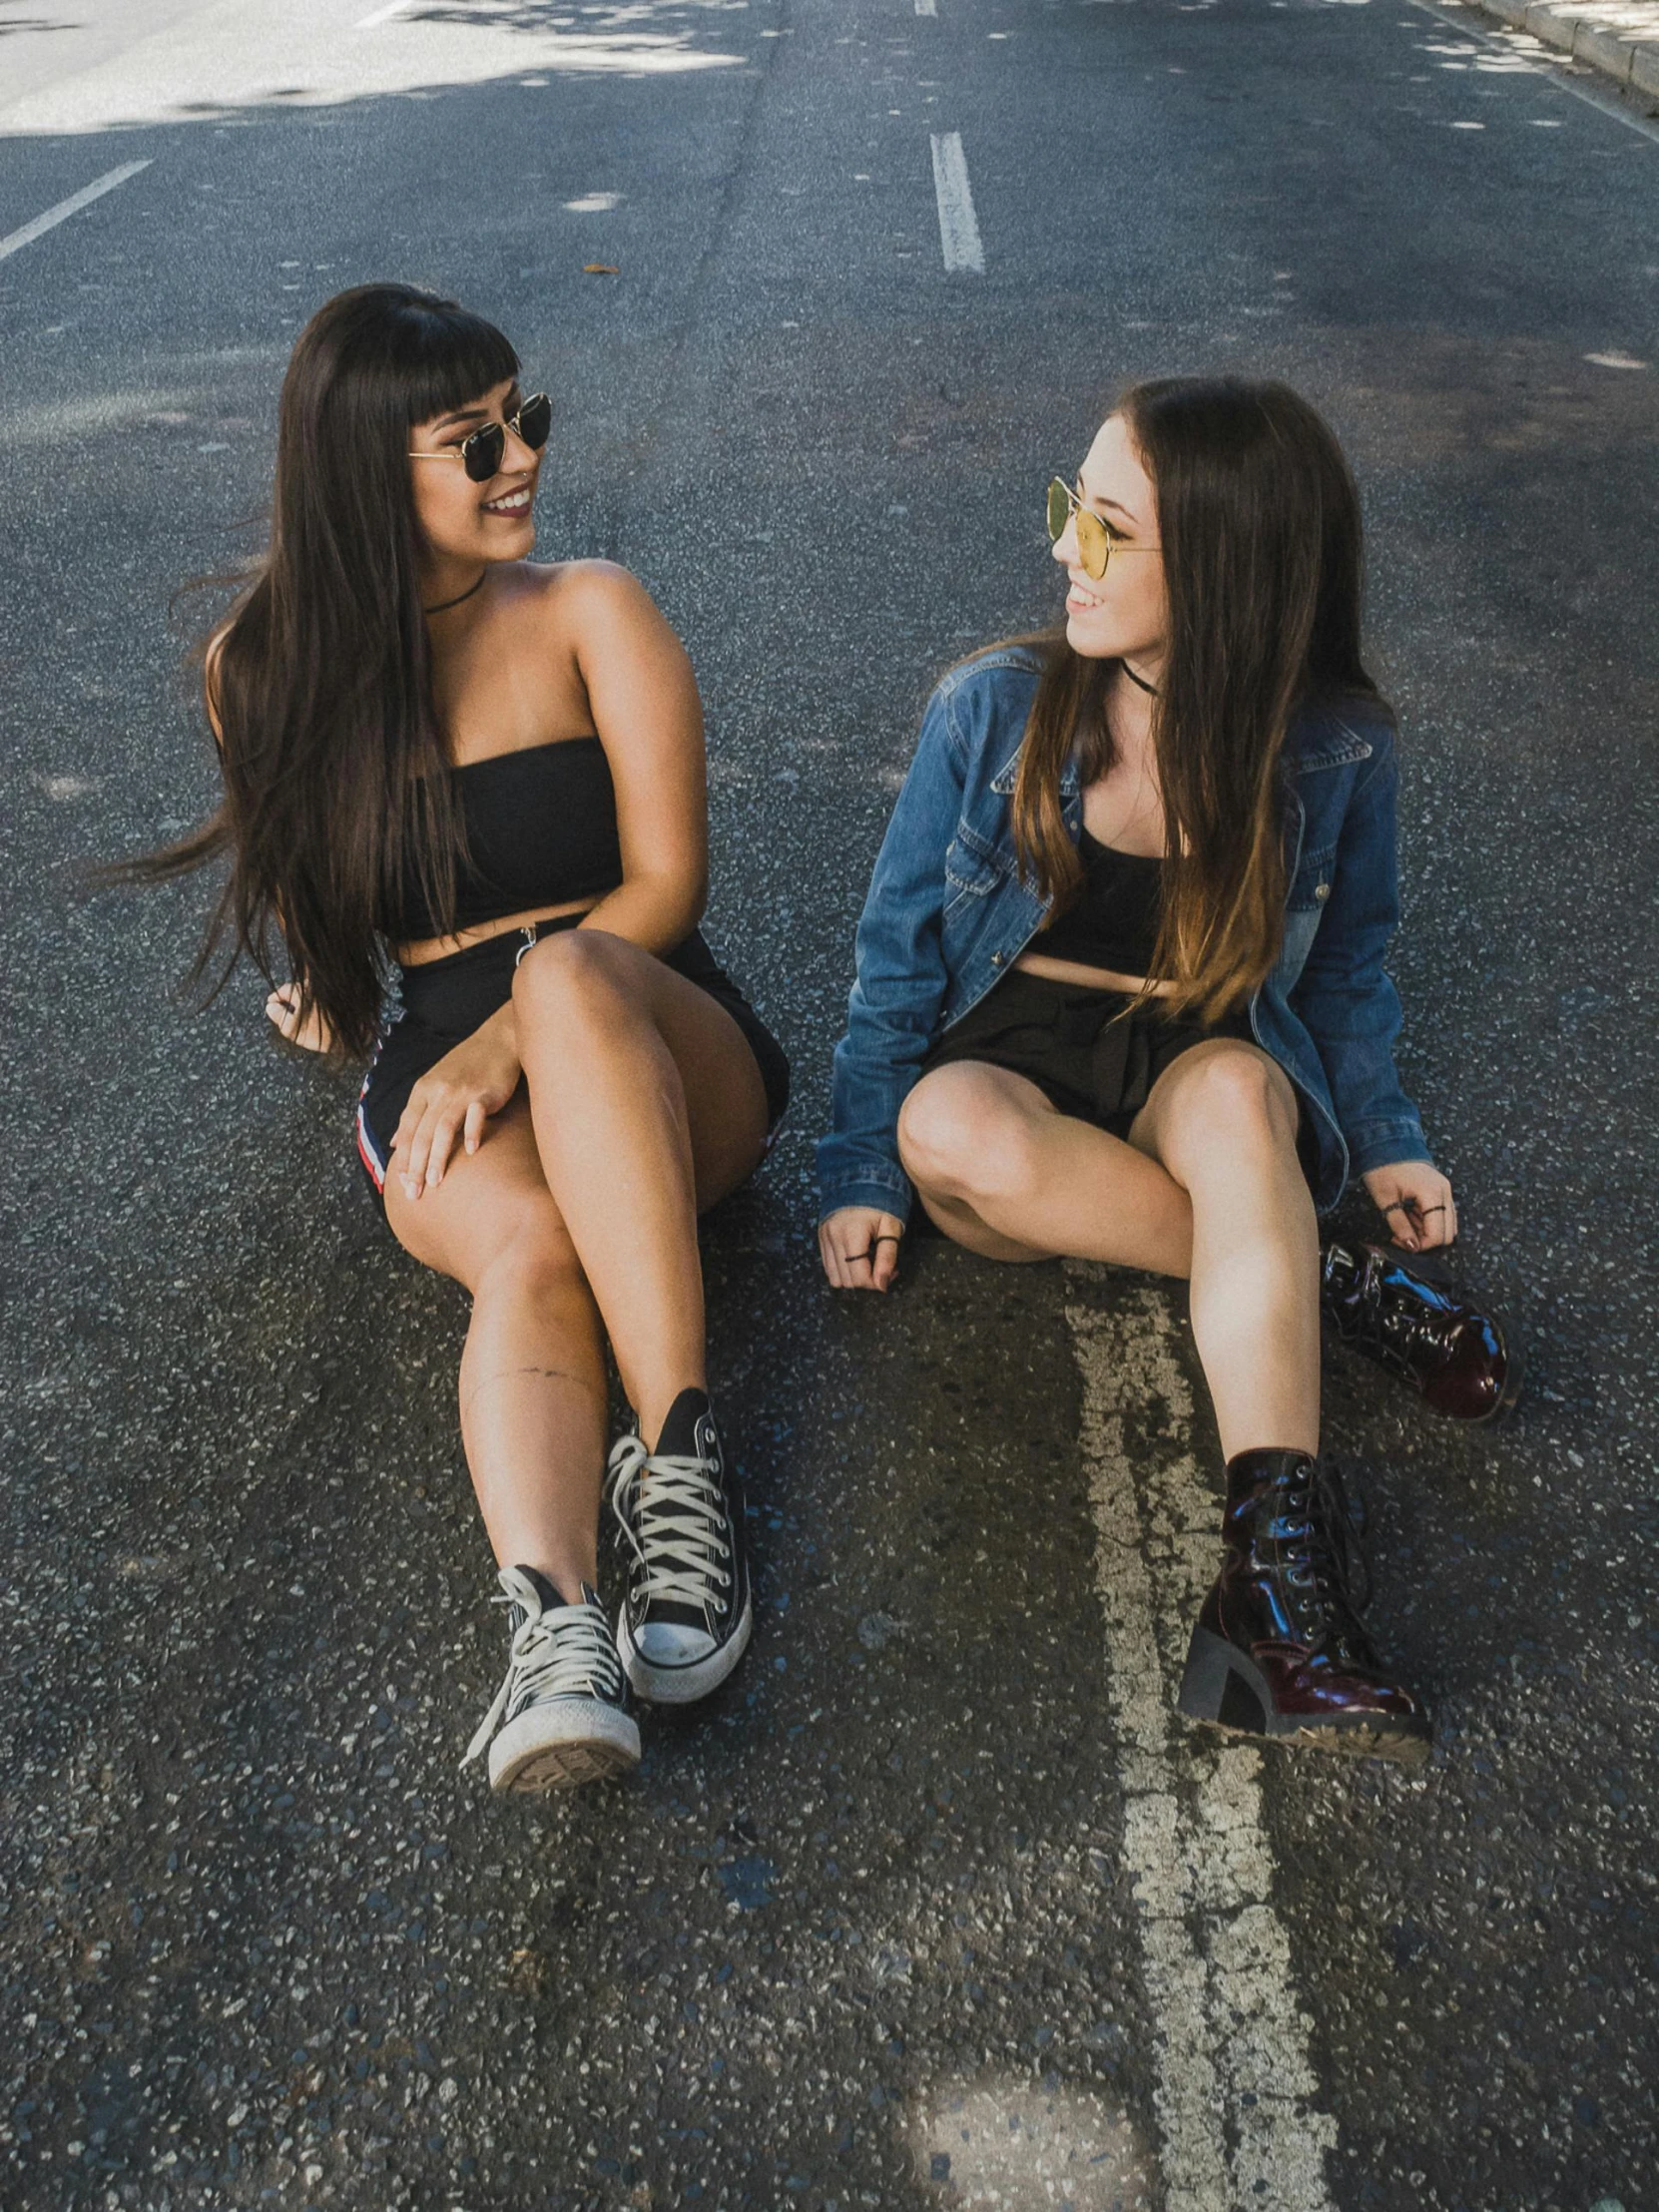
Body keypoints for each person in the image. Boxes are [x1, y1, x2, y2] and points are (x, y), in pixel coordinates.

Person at [126, 283, 790, 1793]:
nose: (521, 459)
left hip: (653, 1031)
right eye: (471, 439)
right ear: (366, 471)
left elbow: (668, 882)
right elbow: (329, 932)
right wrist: (357, 1021)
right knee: (529, 1252)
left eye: (523, 420)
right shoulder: (259, 670)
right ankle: (555, 1639)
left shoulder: (589, 611)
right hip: (436, 1055)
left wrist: (505, 1041)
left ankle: (680, 1459)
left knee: (557, 977)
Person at [817, 376, 1517, 1767]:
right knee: (943, 1126)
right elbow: (892, 958)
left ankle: (1275, 1598)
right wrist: (854, 1165)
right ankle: (1325, 1284)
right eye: (1070, 509)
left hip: (1190, 1049)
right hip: (1002, 1070)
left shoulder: (1332, 748)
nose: (1062, 550)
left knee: (1242, 1095)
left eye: (1108, 528)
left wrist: (1381, 1134)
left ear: (1227, 562)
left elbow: (1343, 968)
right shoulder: (991, 709)